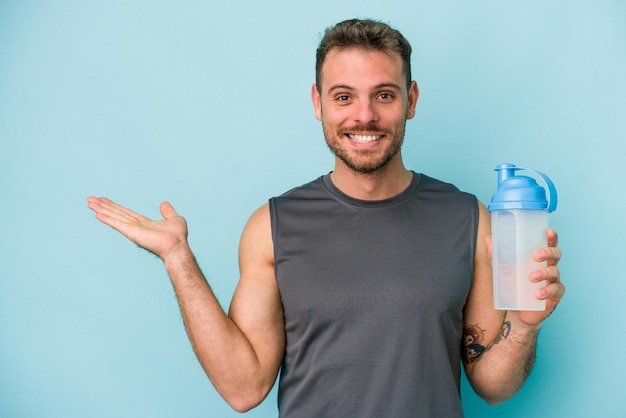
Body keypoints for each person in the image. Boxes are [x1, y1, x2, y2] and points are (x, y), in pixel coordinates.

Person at [87, 18, 565, 417]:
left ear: (411, 100)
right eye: (343, 97)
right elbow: (243, 388)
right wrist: (177, 258)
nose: (364, 116)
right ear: (317, 103)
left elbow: (492, 386)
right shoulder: (271, 227)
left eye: (383, 95)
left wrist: (524, 325)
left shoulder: (468, 218)